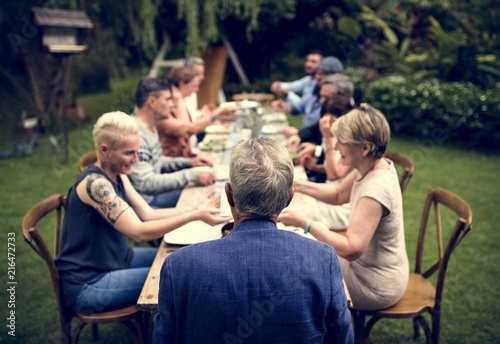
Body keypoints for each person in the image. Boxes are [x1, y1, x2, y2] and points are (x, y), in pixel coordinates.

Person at [153, 138, 353, 343]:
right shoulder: (322, 260)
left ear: (229, 194)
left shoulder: (178, 267)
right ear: (289, 198)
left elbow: (164, 338)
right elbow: (341, 337)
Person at [55, 111, 230, 315]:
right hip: (88, 284)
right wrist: (193, 216)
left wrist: (195, 208)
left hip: (119, 259)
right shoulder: (95, 185)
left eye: (137, 152)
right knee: (181, 275)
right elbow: (139, 232)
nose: (136, 160)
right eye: (129, 153)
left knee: (185, 259)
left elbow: (147, 214)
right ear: (105, 150)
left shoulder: (117, 173)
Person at [279, 104, 409, 311]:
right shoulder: (373, 165)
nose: (336, 146)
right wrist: (295, 184)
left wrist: (303, 222)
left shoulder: (376, 188)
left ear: (364, 148)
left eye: (342, 142)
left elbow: (351, 249)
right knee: (304, 255)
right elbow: (338, 194)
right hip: (365, 269)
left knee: (302, 268)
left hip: (374, 285)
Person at [129, 77, 215, 208]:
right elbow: (145, 183)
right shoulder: (135, 134)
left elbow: (156, 161)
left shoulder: (150, 126)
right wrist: (191, 174)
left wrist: (189, 163)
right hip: (147, 204)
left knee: (209, 191)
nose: (172, 105)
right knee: (204, 197)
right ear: (152, 102)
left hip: (154, 195)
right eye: (168, 99)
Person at [156, 66, 237, 157]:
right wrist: (217, 112)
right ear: (182, 84)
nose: (196, 90)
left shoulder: (183, 100)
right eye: (194, 86)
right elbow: (189, 129)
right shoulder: (177, 102)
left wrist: (216, 115)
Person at [271, 56, 344, 133]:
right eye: (317, 73)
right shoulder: (314, 89)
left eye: (321, 74)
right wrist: (284, 106)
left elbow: (320, 129)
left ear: (334, 77)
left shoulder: (339, 102)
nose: (316, 77)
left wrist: (299, 134)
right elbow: (299, 107)